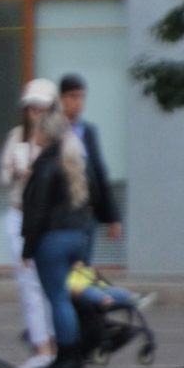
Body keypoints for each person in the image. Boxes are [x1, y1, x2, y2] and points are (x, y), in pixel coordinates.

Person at [21, 108, 107, 368]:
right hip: (77, 236)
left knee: (58, 298)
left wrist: (28, 247)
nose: (33, 133)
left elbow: (37, 210)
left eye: (37, 128)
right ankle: (77, 352)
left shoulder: (46, 165)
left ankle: (67, 357)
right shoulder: (76, 160)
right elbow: (95, 196)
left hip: (53, 239)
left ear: (46, 133)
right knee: (71, 295)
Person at [0, 81, 59, 368]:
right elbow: (3, 176)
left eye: (42, 108)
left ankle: (57, 343)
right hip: (20, 212)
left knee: (51, 284)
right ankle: (41, 346)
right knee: (29, 284)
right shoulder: (16, 137)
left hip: (48, 218)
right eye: (32, 108)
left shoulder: (58, 139)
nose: (36, 114)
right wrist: (15, 173)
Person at [56, 73, 123, 248]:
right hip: (60, 214)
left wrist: (113, 217)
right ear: (61, 99)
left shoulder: (88, 131)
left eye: (82, 97)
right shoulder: (53, 130)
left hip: (86, 213)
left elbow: (99, 171)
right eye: (73, 97)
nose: (78, 103)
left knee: (82, 270)